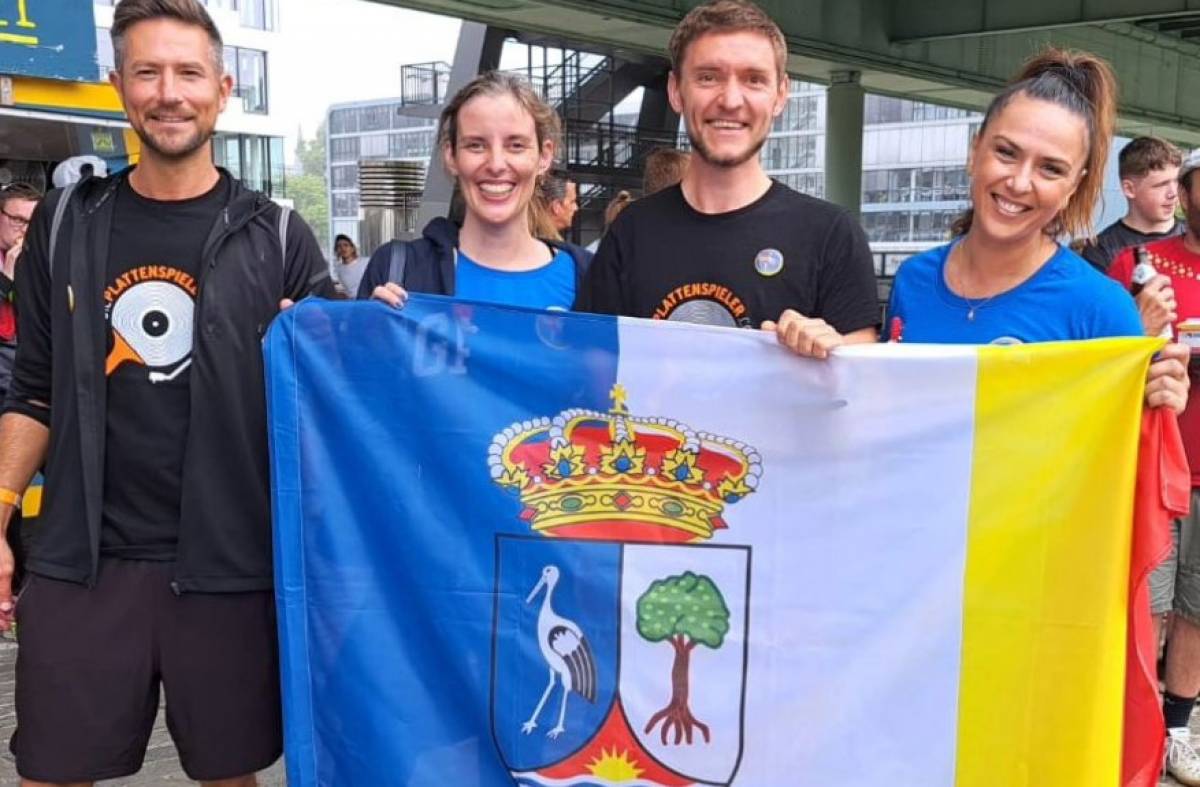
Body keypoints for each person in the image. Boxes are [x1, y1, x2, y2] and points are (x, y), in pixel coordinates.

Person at [0, 1, 333, 784]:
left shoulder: (276, 235)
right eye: (147, 72)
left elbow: (330, 396)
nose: (168, 92)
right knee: (51, 770)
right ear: (119, 87)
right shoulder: (66, 223)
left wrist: (382, 329)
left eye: (187, 73)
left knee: (229, 774)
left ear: (223, 89)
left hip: (226, 565)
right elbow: (35, 390)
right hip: (84, 561)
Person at [577, 0, 879, 345]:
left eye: (754, 80)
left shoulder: (832, 235)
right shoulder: (631, 231)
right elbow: (592, 367)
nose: (731, 100)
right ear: (676, 92)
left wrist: (833, 353)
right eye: (708, 77)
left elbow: (864, 384)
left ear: (780, 95)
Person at [1109, 148, 1200, 785]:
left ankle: (1176, 727)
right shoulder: (1139, 265)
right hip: (1156, 460)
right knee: (1147, 603)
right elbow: (1102, 357)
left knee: (1197, 608)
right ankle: (1127, 719)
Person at [363, 71, 591, 310]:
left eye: (516, 145)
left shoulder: (588, 278)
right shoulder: (400, 270)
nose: (495, 164)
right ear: (451, 156)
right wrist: (370, 335)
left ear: (544, 156)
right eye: (476, 145)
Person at [1080, 136, 1184, 272]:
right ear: (1129, 189)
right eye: (1161, 185)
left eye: (1177, 182)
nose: (1173, 193)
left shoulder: (1194, 236)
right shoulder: (1102, 251)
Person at [332, 233, 366, 298]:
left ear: (352, 248)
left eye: (346, 245)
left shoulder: (365, 262)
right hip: (352, 303)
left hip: (369, 300)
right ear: (336, 250)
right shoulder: (339, 269)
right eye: (339, 246)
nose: (342, 248)